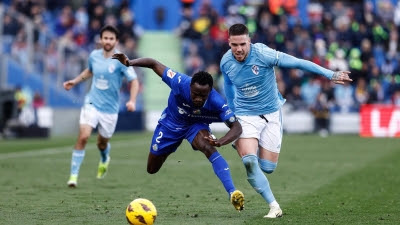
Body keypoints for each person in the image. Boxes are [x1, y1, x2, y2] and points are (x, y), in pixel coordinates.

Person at [220, 23, 352, 218]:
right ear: (229, 43)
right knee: (249, 161)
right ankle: (274, 206)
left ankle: (243, 144)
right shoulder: (226, 62)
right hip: (245, 115)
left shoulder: (264, 54)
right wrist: (232, 114)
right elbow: (229, 85)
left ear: (250, 41)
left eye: (242, 44)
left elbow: (298, 62)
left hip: (272, 113)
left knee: (268, 168)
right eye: (234, 45)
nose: (238, 49)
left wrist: (330, 74)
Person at [111, 53, 245, 211]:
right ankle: (169, 148)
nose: (198, 99)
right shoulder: (179, 81)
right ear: (190, 87)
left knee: (207, 146)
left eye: (203, 96)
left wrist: (222, 141)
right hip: (170, 124)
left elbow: (237, 127)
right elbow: (153, 63)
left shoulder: (217, 101)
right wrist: (129, 62)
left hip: (195, 125)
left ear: (210, 92)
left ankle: (232, 192)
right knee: (152, 169)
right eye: (195, 94)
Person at [63, 25, 139, 187]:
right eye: (105, 38)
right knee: (83, 136)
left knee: (101, 143)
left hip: (110, 109)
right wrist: (74, 81)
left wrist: (132, 100)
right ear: (101, 39)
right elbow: (89, 71)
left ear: (116, 41)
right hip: (92, 102)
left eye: (111, 38)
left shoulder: (121, 59)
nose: (108, 41)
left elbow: (134, 81)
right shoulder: (94, 56)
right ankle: (73, 176)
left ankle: (105, 158)